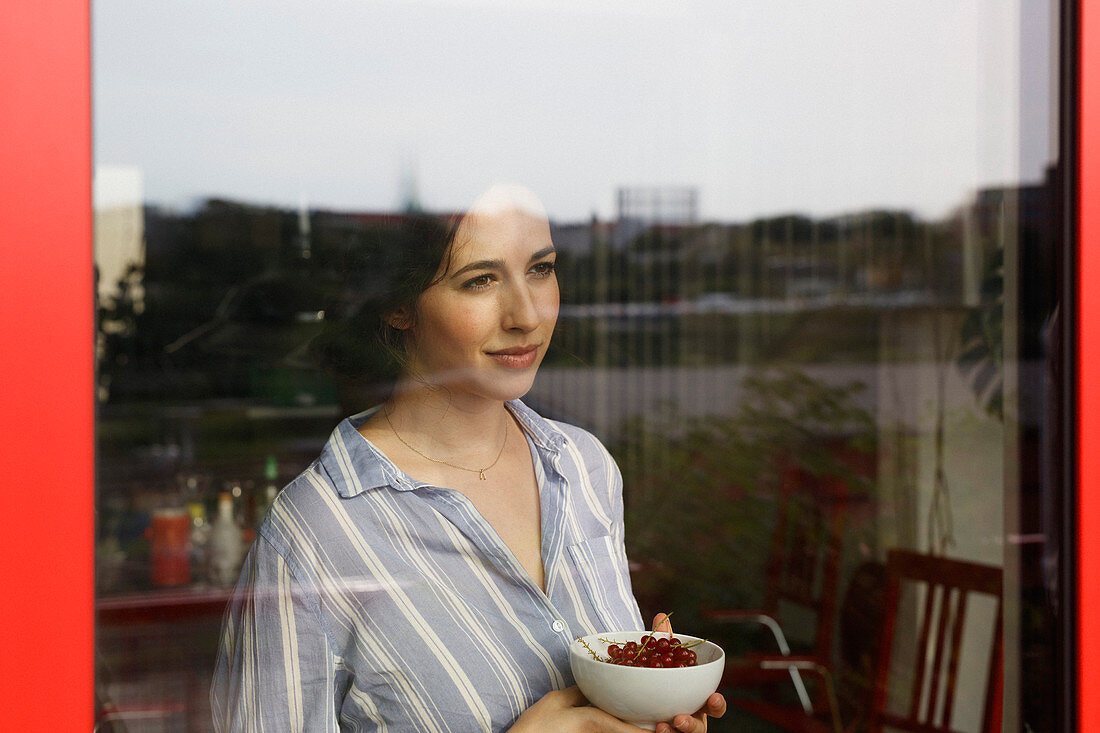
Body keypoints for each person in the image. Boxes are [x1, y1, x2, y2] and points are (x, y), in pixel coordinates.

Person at [211, 184, 726, 732]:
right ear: (398, 305)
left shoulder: (584, 466)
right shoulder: (315, 532)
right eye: (480, 280)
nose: (526, 315)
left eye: (541, 269)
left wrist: (650, 699)